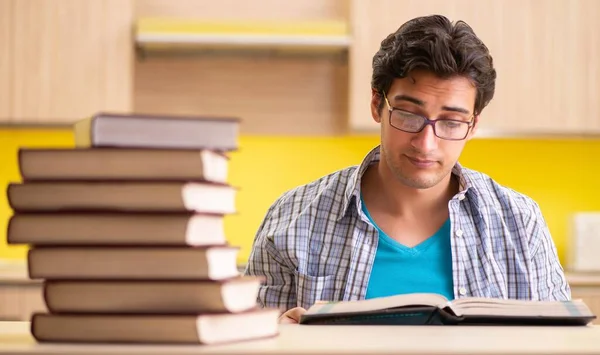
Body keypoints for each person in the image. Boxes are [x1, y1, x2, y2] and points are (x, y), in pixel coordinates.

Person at [243, 14, 571, 324]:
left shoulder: (520, 223)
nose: (426, 143)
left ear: (472, 127)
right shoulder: (292, 218)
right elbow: (249, 342)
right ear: (377, 105)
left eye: (452, 122)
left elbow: (563, 346)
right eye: (409, 114)